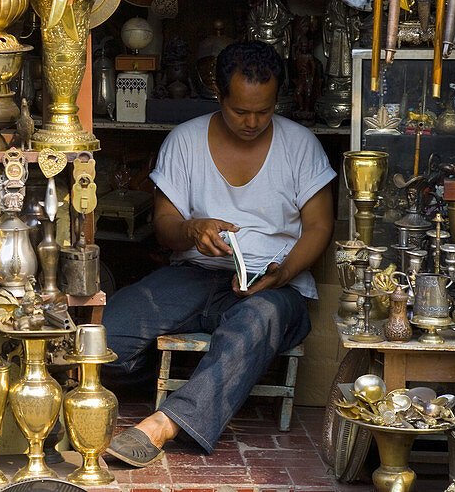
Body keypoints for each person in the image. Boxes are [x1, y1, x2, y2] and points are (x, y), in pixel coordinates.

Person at [103, 41, 336, 467]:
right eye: (240, 111)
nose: (252, 122)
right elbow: (165, 225)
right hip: (194, 274)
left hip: (273, 286)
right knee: (107, 338)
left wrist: (283, 273)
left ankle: (165, 423)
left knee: (258, 321)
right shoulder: (185, 141)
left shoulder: (300, 145)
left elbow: (320, 225)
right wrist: (192, 229)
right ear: (219, 94)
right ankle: (218, 375)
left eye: (264, 111)